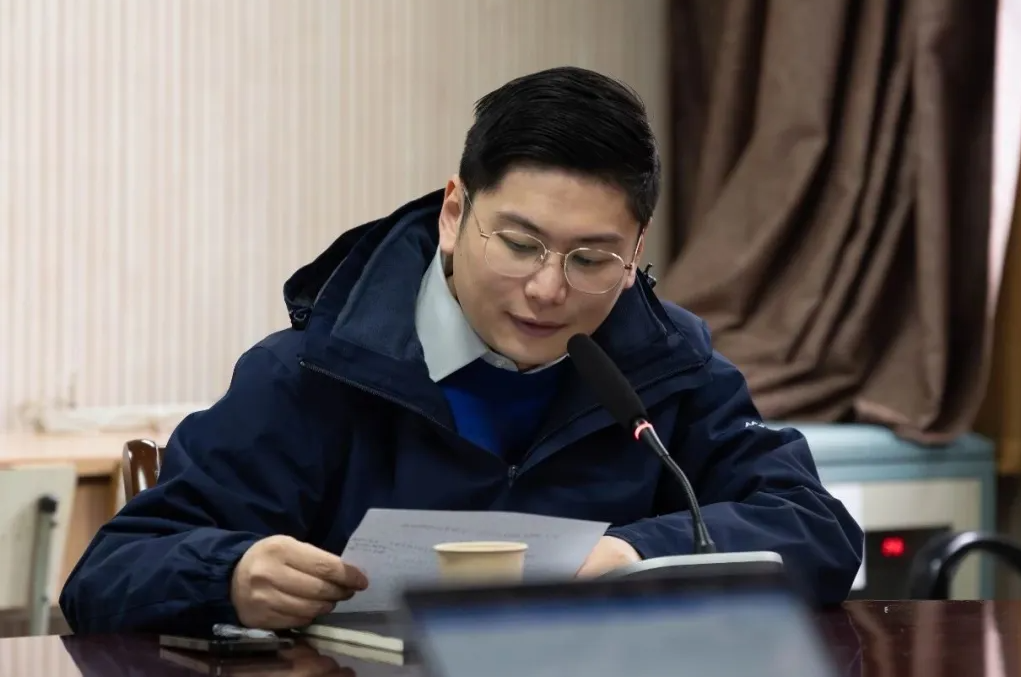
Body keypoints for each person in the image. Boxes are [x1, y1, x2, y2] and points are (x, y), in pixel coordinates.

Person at [60, 66, 863, 634]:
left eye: (591, 259)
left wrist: (631, 552)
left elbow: (814, 527)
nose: (547, 289)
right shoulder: (310, 373)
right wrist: (231, 575)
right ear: (454, 211)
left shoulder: (668, 369)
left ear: (637, 250)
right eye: (519, 243)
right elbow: (109, 574)